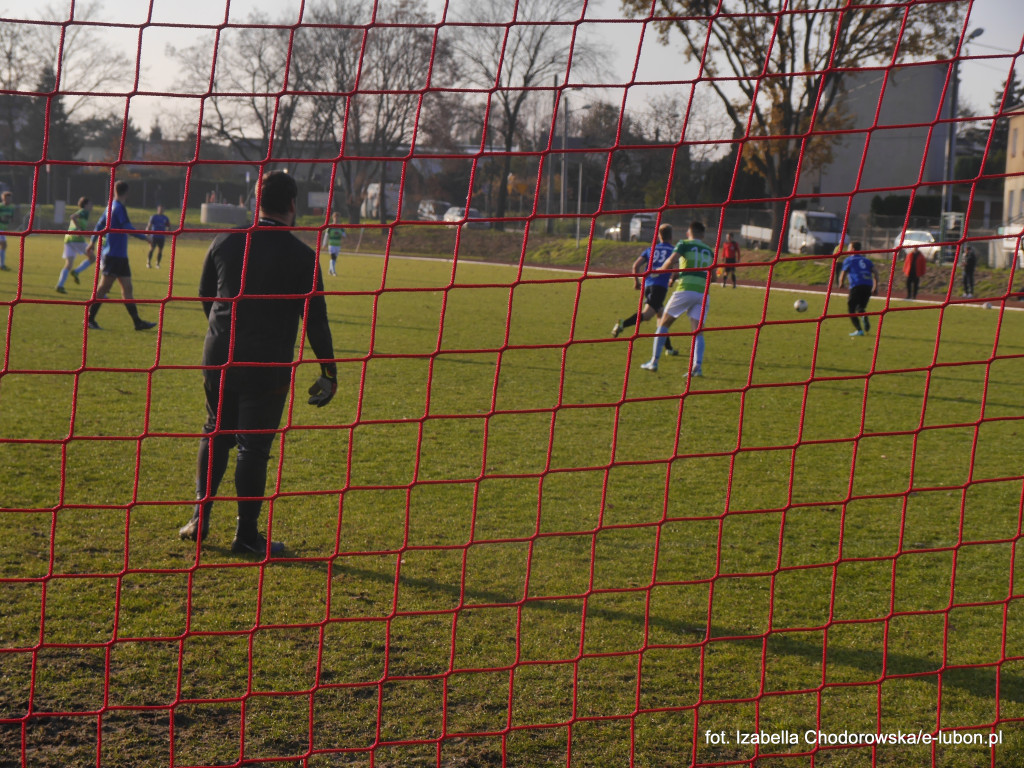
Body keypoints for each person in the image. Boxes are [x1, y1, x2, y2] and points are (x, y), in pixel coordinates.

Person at [178, 170, 337, 557]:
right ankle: (246, 535)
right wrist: (329, 372)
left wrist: (225, 336)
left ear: (256, 200)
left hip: (220, 356)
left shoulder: (226, 240)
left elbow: (205, 295)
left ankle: (200, 519)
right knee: (253, 447)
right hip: (267, 363)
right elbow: (315, 319)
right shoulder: (302, 255)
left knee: (215, 430)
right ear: (293, 204)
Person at [640, 221, 714, 376]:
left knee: (663, 323)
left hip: (685, 290)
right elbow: (713, 277)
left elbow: (671, 260)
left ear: (689, 232)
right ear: (703, 234)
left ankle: (654, 362)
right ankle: (697, 367)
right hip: (703, 293)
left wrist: (659, 270)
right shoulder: (709, 250)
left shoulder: (684, 244)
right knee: (697, 332)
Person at [85, 181, 158, 331]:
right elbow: (127, 228)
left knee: (127, 288)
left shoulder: (110, 206)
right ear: (127, 193)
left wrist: (92, 242)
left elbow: (99, 225)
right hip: (114, 255)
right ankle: (89, 319)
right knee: (104, 288)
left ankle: (137, 322)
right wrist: (146, 237)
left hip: (120, 256)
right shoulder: (118, 208)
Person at [610, 223, 677, 356]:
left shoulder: (650, 249)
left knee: (661, 317)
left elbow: (636, 266)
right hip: (660, 287)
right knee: (647, 315)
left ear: (659, 236)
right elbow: (675, 268)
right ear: (671, 236)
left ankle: (669, 349)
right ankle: (623, 324)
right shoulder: (673, 251)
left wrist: (636, 282)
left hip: (647, 285)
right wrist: (672, 280)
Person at [838, 241, 877, 337]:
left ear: (853, 250)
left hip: (856, 285)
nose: (847, 250)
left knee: (851, 309)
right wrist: (875, 287)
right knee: (860, 308)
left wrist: (841, 283)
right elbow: (876, 272)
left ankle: (859, 330)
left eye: (849, 248)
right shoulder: (867, 260)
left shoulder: (849, 260)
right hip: (868, 286)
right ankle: (864, 316)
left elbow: (843, 273)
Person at [56, 197, 93, 293]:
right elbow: (72, 216)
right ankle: (76, 272)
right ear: (85, 205)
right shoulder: (84, 212)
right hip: (77, 239)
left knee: (68, 264)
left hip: (68, 239)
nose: (91, 206)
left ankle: (60, 286)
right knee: (92, 258)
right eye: (90, 204)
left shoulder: (84, 213)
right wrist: (79, 229)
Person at [322, 211, 346, 277]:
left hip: (338, 245)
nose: (336, 219)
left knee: (334, 258)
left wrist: (343, 234)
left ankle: (330, 270)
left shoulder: (341, 227)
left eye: (337, 218)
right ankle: (333, 271)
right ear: (333, 218)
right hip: (331, 244)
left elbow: (344, 235)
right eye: (335, 217)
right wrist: (324, 244)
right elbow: (326, 236)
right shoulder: (330, 226)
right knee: (333, 257)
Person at [0, 190, 18, 271]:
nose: (9, 200)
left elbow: (12, 218)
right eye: (7, 199)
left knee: (3, 246)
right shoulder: (0, 207)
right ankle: (2, 265)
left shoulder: (11, 207)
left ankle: (2, 264)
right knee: (4, 245)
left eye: (10, 199)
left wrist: (12, 219)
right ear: (3, 199)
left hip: (4, 229)